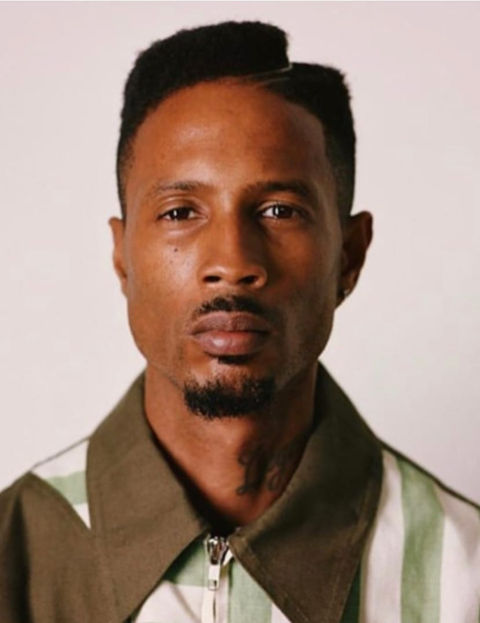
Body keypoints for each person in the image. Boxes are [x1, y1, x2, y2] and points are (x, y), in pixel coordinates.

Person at [0, 20, 478, 623]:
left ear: (349, 256)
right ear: (122, 258)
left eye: (279, 210)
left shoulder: (465, 578)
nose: (231, 263)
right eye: (180, 212)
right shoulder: (13, 556)